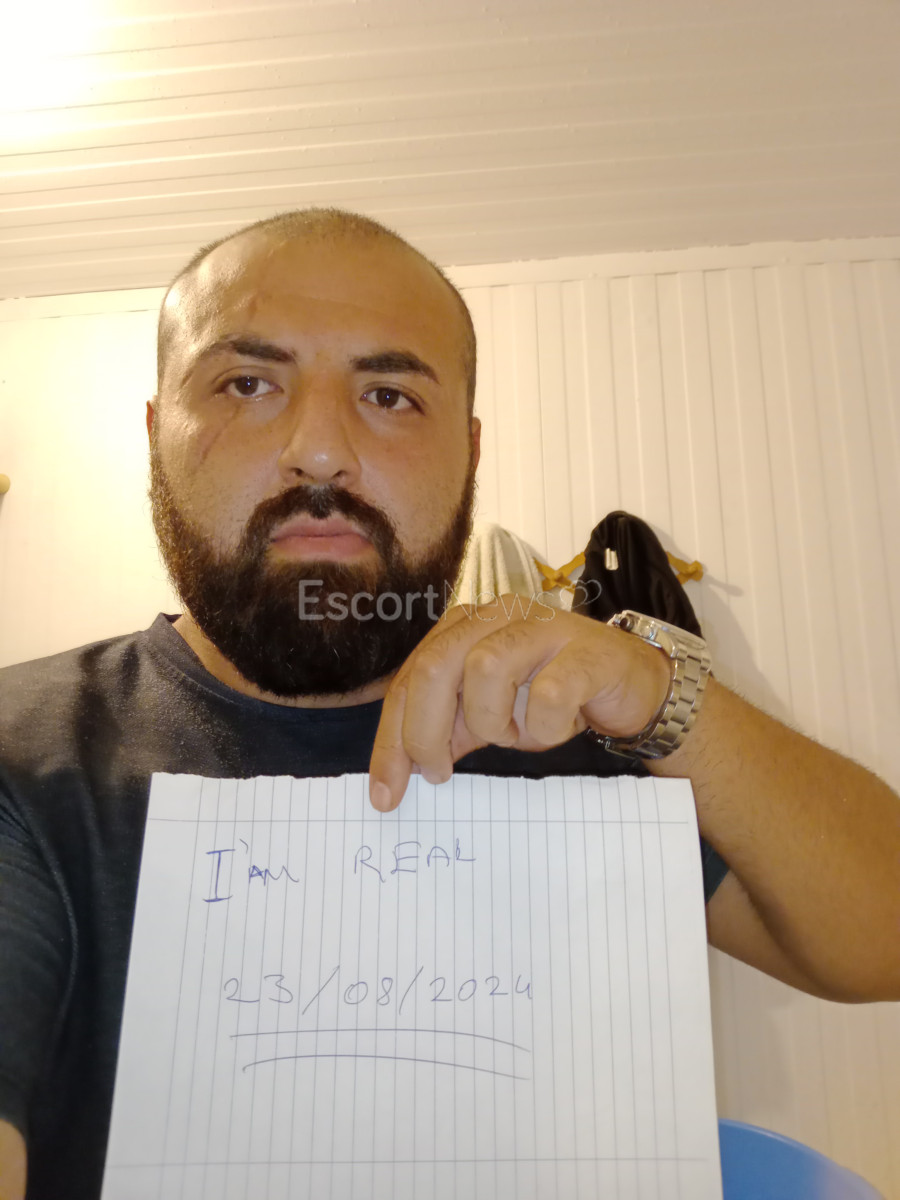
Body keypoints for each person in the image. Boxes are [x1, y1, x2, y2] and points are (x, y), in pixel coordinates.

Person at [1, 207, 898, 1200]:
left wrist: (662, 692)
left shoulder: (585, 725)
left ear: (470, 453)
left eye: (389, 395)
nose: (320, 452)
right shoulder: (21, 755)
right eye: (248, 384)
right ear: (154, 435)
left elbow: (883, 941)